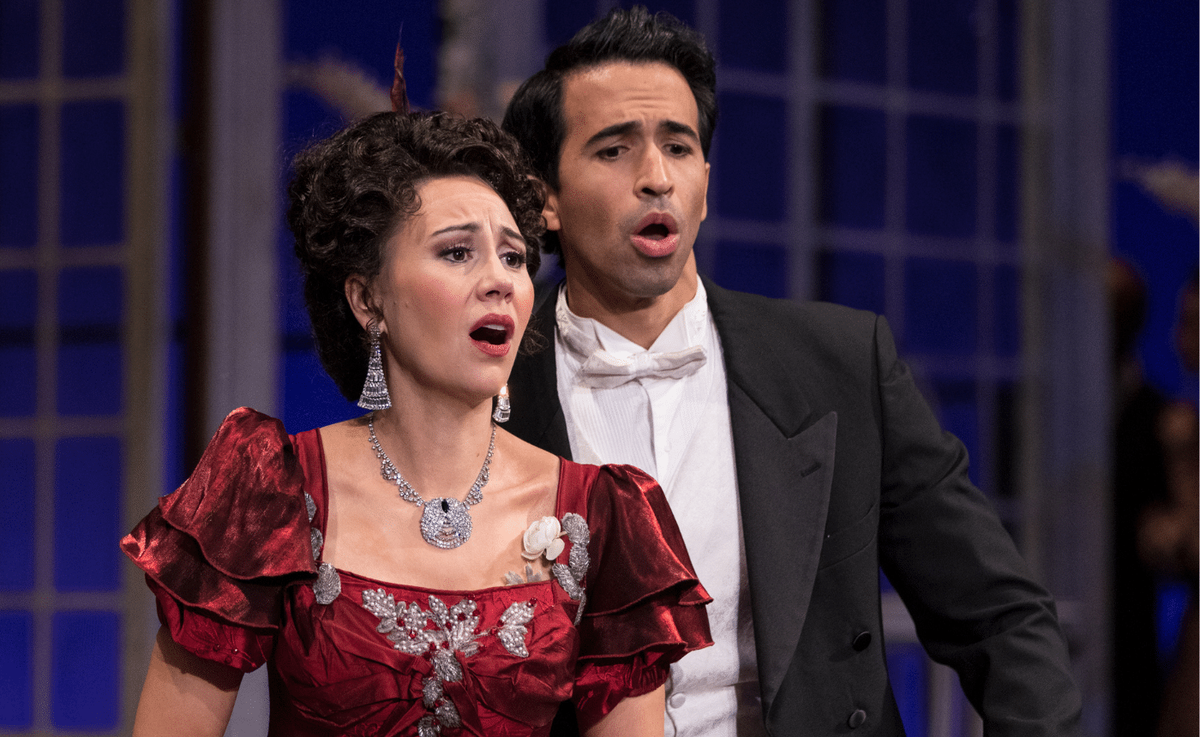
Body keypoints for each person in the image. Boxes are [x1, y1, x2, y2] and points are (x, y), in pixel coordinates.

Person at [500, 7, 1082, 736]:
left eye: (678, 147)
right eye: (614, 150)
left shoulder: (840, 363)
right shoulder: (489, 384)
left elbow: (1001, 616)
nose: (656, 178)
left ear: (705, 183)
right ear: (544, 200)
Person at [121, 110, 711, 736]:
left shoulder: (603, 515)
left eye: (513, 258)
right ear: (367, 299)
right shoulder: (274, 489)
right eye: (457, 252)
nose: (499, 281)